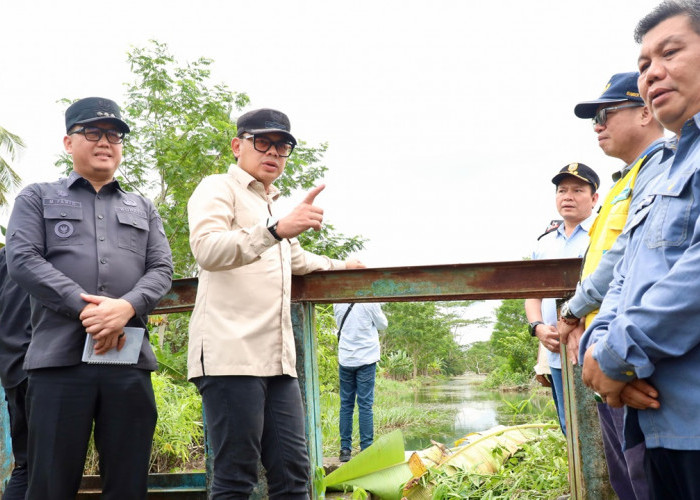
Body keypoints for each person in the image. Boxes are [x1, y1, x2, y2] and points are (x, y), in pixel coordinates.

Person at [187, 108, 365, 499]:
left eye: (282, 146)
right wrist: (276, 229)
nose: (273, 152)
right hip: (230, 355)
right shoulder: (218, 188)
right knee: (235, 476)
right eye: (262, 142)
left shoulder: (272, 206)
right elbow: (207, 250)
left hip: (278, 360)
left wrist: (343, 267)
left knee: (293, 472)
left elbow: (297, 261)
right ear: (238, 146)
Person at [5, 97, 173, 499]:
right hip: (58, 362)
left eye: (114, 135)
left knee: (129, 483)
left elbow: (162, 269)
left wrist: (126, 307)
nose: (105, 142)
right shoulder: (37, 197)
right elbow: (23, 259)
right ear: (68, 142)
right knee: (49, 484)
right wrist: (90, 309)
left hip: (126, 360)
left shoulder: (143, 207)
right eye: (93, 132)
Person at [581, 2, 700, 498]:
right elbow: (627, 271)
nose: (653, 73)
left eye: (670, 52)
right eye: (645, 64)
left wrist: (614, 355)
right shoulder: (668, 167)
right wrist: (601, 348)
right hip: (657, 415)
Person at [557, 72, 667, 500]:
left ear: (645, 111)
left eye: (605, 113)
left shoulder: (660, 172)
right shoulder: (625, 182)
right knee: (625, 475)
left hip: (631, 351)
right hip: (606, 348)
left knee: (645, 477)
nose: (597, 124)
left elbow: (623, 259)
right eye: (593, 118)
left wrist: (571, 310)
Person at [525, 163, 599, 434]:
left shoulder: (600, 235)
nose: (567, 196)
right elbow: (533, 294)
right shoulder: (543, 243)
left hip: (592, 347)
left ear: (594, 198)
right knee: (569, 427)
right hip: (556, 352)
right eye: (562, 190)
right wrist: (538, 328)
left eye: (577, 190)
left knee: (600, 431)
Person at [334, 302, 388, 462]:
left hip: (345, 359)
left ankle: (345, 450)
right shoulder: (369, 302)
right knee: (365, 405)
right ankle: (366, 449)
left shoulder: (337, 302)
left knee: (346, 405)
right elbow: (383, 324)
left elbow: (340, 324)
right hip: (366, 359)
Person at [0, 246, 31, 500]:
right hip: (41, 367)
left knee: (27, 466)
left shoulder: (8, 255)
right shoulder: (54, 246)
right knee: (42, 468)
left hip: (12, 367)